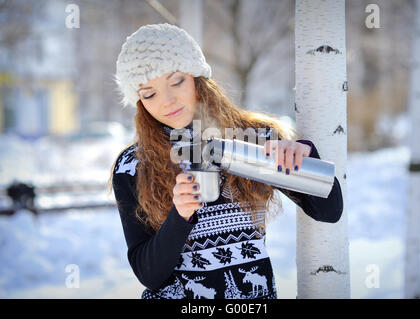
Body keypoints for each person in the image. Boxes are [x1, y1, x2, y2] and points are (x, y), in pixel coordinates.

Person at [108, 23, 343, 299]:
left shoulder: (253, 139)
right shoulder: (133, 164)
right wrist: (180, 216)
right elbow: (148, 273)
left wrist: (302, 156)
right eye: (149, 94)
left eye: (176, 81)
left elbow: (329, 211)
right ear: (139, 101)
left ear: (197, 77)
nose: (167, 101)